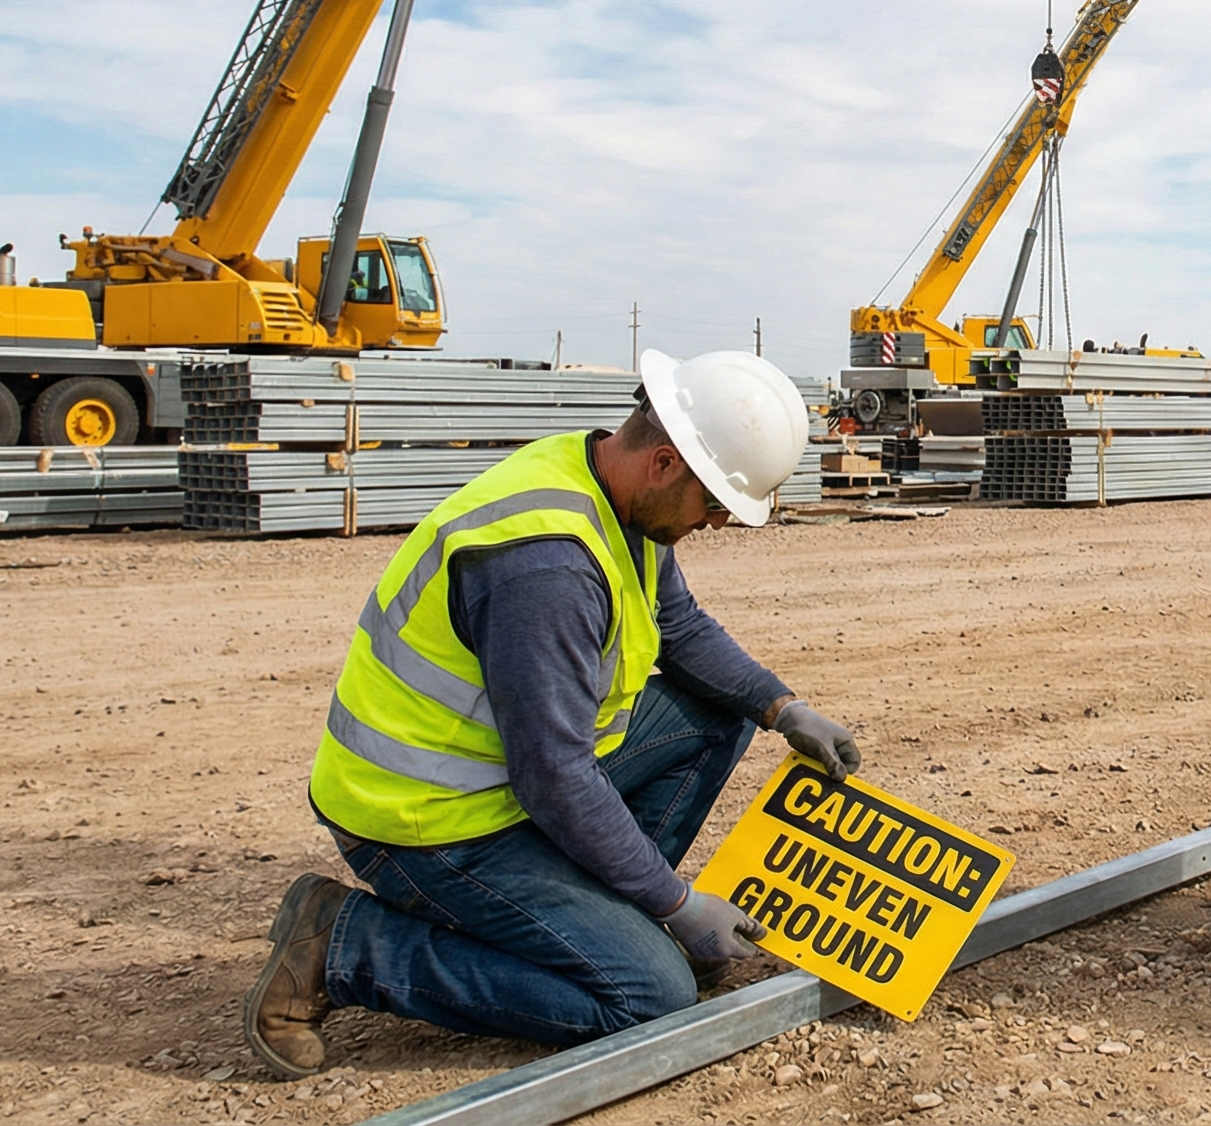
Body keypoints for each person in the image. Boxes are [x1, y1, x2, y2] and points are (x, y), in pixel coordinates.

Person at [242, 349, 865, 1075]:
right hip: (428, 821)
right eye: (715, 503)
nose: (719, 522)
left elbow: (679, 627)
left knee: (718, 710)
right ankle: (345, 947)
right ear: (665, 463)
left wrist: (782, 707)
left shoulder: (607, 485)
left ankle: (602, 920)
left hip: (503, 781)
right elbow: (555, 779)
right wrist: (675, 904)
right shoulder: (546, 567)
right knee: (650, 997)